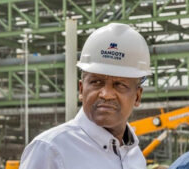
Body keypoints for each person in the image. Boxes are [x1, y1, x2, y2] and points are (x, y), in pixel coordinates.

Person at [19, 23, 151, 169]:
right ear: (81, 90)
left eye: (119, 85)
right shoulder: (51, 150)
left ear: (137, 96)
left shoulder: (135, 157)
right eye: (96, 82)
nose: (106, 94)